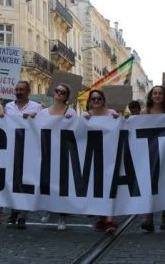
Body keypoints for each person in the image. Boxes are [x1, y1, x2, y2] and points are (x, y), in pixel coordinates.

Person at [4, 81, 43, 229]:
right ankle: (13, 211)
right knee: (13, 181)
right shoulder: (8, 107)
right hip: (12, 149)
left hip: (29, 150)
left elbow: (43, 125)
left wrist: (35, 116)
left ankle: (23, 215)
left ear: (28, 91)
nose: (19, 92)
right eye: (17, 89)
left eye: (21, 89)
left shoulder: (36, 107)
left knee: (26, 181)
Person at [37, 84, 76, 230]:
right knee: (48, 183)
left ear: (66, 96)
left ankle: (62, 217)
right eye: (57, 91)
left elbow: (75, 131)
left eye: (63, 92)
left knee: (62, 185)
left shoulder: (70, 111)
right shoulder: (43, 113)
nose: (59, 93)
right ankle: (48, 210)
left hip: (64, 152)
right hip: (47, 152)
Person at [139, 86, 165, 233]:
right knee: (149, 184)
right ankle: (149, 217)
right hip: (148, 153)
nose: (157, 96)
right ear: (151, 96)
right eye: (155, 93)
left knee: (164, 183)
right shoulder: (143, 113)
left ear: (164, 96)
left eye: (160, 93)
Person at [83, 89, 119, 233]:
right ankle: (101, 218)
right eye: (93, 99)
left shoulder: (112, 113)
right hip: (93, 156)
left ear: (103, 100)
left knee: (109, 187)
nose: (96, 101)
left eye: (98, 99)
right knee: (96, 188)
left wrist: (120, 118)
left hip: (110, 155)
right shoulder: (86, 115)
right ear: (90, 101)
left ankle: (109, 220)